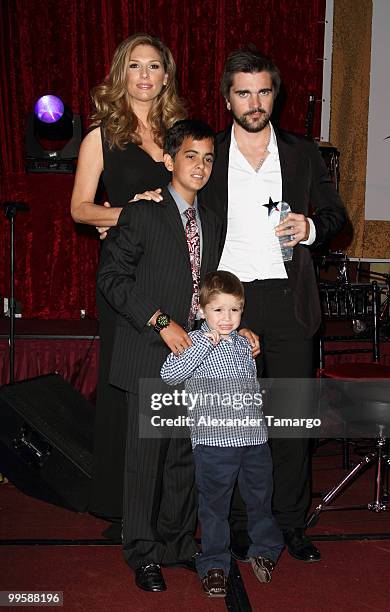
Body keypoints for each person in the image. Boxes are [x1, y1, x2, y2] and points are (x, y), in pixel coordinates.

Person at [199, 48, 347, 563]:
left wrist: (309, 228)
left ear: (274, 94)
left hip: (289, 300)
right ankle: (239, 526)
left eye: (263, 91)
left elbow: (336, 218)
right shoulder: (209, 154)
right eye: (244, 92)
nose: (254, 101)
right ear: (227, 98)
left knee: (289, 423)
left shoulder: (303, 152)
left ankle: (290, 525)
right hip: (227, 306)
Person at [97, 119, 224, 592]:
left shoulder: (211, 220)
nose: (200, 166)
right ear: (170, 160)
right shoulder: (143, 213)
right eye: (191, 155)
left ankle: (176, 546)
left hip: (197, 356)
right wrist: (159, 321)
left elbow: (208, 287)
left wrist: (230, 326)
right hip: (150, 352)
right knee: (146, 461)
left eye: (209, 158)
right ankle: (143, 552)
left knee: (183, 461)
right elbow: (112, 280)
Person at [70, 33, 186, 522]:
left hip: (176, 271)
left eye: (154, 66)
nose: (144, 76)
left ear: (166, 75)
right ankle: (121, 508)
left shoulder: (180, 133)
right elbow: (79, 209)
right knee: (126, 389)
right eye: (135, 66)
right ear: (122, 73)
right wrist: (127, 214)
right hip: (125, 276)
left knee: (169, 387)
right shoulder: (102, 134)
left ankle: (163, 504)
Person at [161, 271, 284, 598]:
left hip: (254, 441)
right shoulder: (194, 342)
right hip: (214, 444)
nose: (226, 318)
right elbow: (170, 374)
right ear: (202, 311)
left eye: (234, 310)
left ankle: (265, 551)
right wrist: (203, 342)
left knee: (260, 500)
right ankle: (214, 564)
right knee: (214, 507)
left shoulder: (244, 343)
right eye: (218, 310)